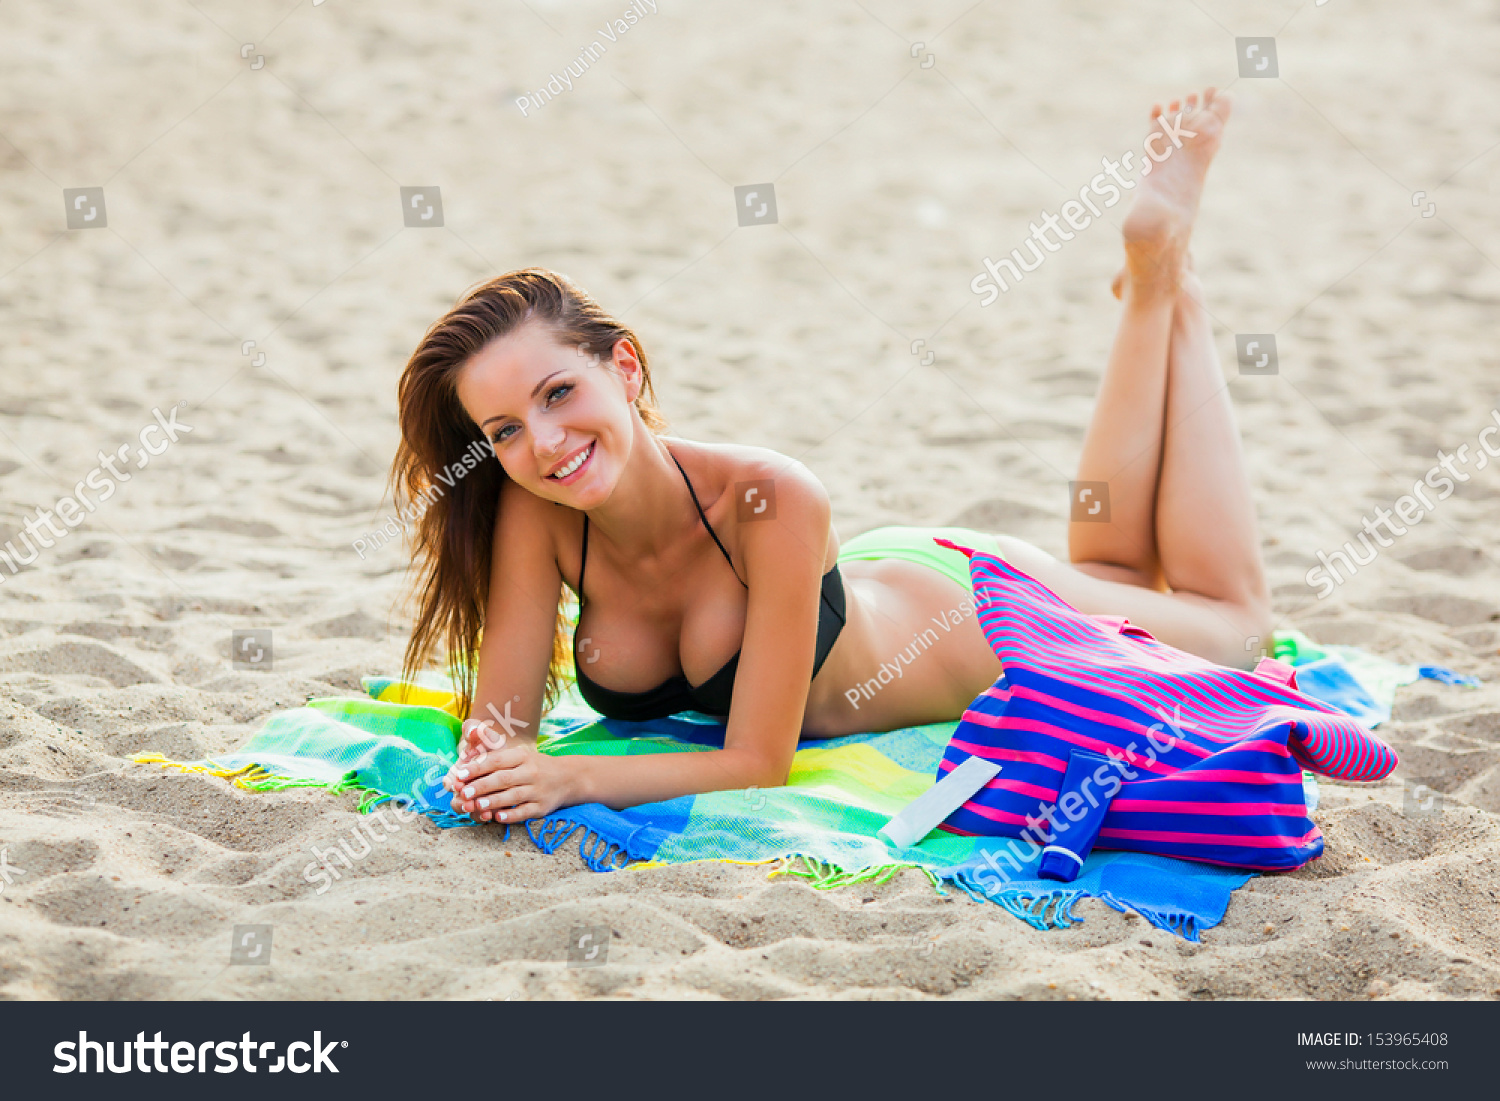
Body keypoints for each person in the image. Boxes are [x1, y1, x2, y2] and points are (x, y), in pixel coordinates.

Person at [386, 87, 1270, 826]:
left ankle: (1167, 286)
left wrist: (570, 776)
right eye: (502, 430)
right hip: (882, 579)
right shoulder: (535, 509)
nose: (542, 443)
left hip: (980, 613)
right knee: (1112, 558)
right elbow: (503, 728)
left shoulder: (771, 495)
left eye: (557, 394)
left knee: (1231, 625)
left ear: (623, 366)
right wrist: (495, 756)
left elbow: (758, 761)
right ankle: (1154, 289)